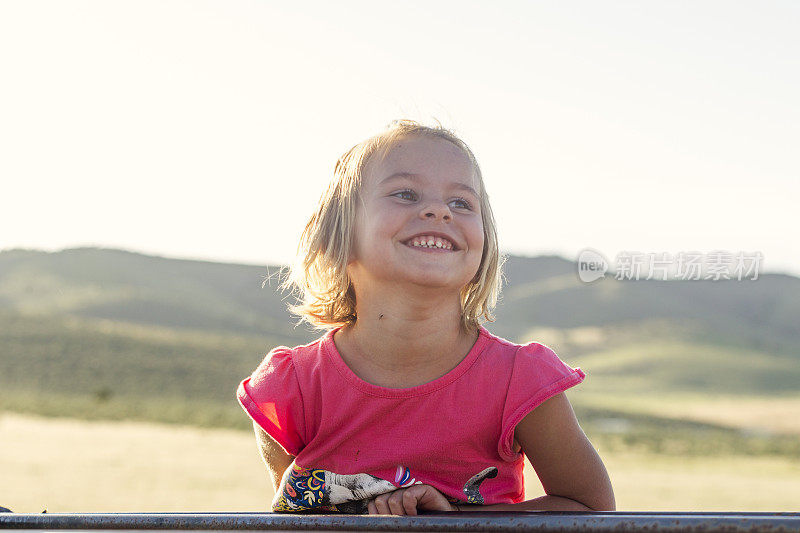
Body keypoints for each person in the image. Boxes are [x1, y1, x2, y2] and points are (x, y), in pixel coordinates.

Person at [237, 120, 615, 515]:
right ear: (340, 235)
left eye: (461, 203)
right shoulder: (289, 389)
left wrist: (451, 520)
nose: (438, 211)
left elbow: (590, 507)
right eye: (405, 194)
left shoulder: (520, 381)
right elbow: (291, 518)